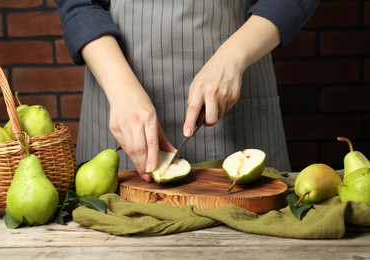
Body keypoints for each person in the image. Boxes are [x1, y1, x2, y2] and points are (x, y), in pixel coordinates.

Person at [56, 0, 319, 182]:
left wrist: (234, 56)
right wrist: (121, 89)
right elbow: (78, 4)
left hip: (239, 110)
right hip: (116, 100)